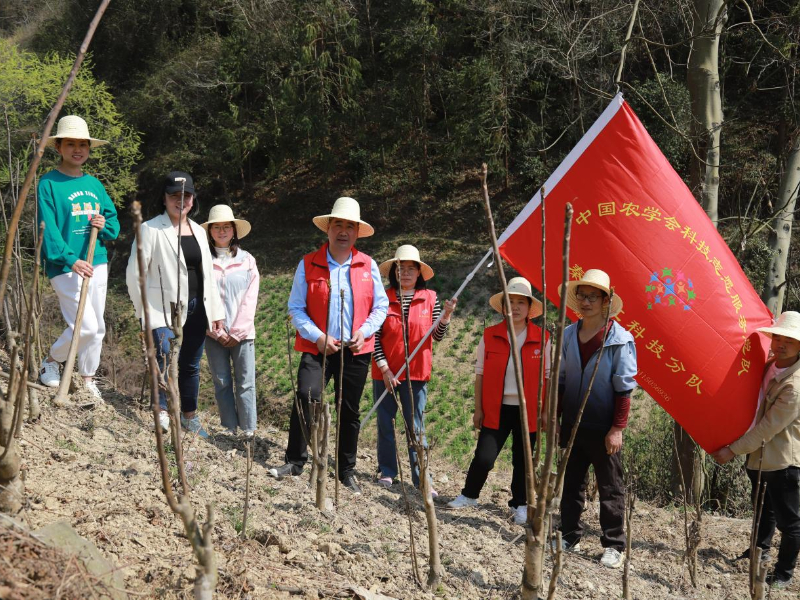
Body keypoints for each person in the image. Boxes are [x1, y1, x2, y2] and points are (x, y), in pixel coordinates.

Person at [269, 197, 389, 495]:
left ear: (358, 232)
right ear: (329, 229)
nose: (344, 231)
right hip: (317, 348)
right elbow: (296, 308)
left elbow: (381, 306)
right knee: (306, 397)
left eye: (350, 226)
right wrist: (318, 337)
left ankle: (346, 470)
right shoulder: (308, 264)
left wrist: (364, 331)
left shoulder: (368, 265)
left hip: (355, 351)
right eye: (338, 225)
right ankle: (295, 461)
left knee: (348, 410)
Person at [126, 172, 225, 438]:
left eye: (187, 196)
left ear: (193, 199)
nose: (181, 201)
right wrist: (143, 311)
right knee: (164, 360)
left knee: (191, 364)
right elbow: (135, 273)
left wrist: (215, 311)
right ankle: (161, 412)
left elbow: (208, 275)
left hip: (197, 307)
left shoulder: (200, 232)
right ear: (164, 198)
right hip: (162, 307)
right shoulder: (150, 229)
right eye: (174, 196)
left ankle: (189, 416)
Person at [448, 277, 549, 526]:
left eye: (520, 302)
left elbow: (548, 377)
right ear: (503, 307)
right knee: (484, 456)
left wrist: (545, 412)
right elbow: (480, 373)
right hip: (496, 407)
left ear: (529, 308)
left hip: (528, 411)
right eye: (510, 302)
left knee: (523, 461)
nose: (514, 307)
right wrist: (478, 408)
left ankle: (521, 505)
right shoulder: (490, 335)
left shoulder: (542, 338)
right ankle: (469, 495)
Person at [712, 311, 800, 590]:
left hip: (783, 461)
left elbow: (767, 428)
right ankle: (757, 553)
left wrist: (732, 451)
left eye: (789, 340)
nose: (781, 343)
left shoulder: (795, 386)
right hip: (759, 458)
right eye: (778, 337)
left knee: (791, 523)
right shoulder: (770, 366)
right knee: (764, 511)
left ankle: (784, 573)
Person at [555, 269, 637, 569]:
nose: (586, 302)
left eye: (593, 297)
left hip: (603, 427)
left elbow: (624, 388)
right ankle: (569, 535)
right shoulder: (567, 334)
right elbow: (561, 381)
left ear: (605, 301)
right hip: (573, 425)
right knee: (572, 483)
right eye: (582, 296)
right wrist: (555, 419)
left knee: (610, 487)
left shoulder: (619, 339)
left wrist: (617, 428)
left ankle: (614, 544)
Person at [37, 115, 120, 401]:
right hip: (65, 265)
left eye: (83, 144)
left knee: (98, 328)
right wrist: (71, 259)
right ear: (58, 147)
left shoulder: (94, 184)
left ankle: (87, 379)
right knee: (85, 327)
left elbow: (112, 222)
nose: (77, 149)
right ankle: (51, 361)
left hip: (96, 260)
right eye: (70, 143)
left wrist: (102, 223)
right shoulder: (48, 183)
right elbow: (47, 229)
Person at [373, 245, 456, 494]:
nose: (406, 273)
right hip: (385, 373)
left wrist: (446, 316)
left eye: (411, 269)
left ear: (419, 272)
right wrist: (385, 368)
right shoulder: (382, 297)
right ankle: (387, 471)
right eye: (401, 268)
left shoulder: (430, 298)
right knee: (385, 423)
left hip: (416, 373)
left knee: (415, 426)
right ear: (394, 272)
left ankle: (422, 478)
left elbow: (437, 336)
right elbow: (375, 337)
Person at [202, 205, 260, 438]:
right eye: (217, 227)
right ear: (210, 231)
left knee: (246, 382)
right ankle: (229, 428)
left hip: (243, 333)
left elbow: (251, 297)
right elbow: (199, 295)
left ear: (234, 231)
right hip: (212, 333)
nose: (222, 231)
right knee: (222, 380)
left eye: (226, 226)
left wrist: (237, 331)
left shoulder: (247, 260)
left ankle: (248, 429)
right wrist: (213, 329)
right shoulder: (203, 259)